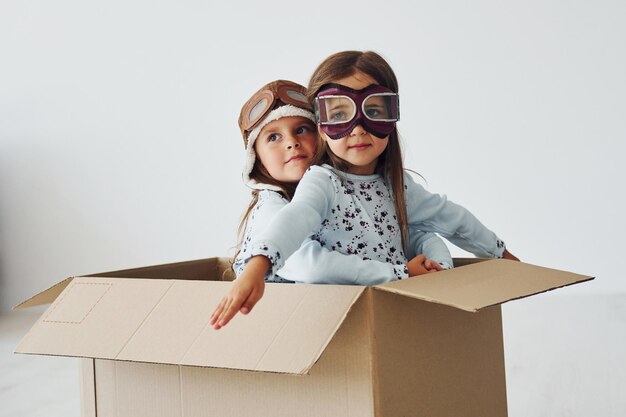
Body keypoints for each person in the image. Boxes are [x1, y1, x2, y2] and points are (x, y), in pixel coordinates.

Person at [212, 53, 518, 329]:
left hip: (387, 315)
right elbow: (296, 219)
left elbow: (447, 218)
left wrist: (498, 253)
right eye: (340, 113)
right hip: (327, 324)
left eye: (373, 110)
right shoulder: (321, 182)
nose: (358, 128)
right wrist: (258, 266)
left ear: (391, 116)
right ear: (323, 127)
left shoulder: (397, 186)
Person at [233, 79, 452, 286]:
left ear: (323, 135)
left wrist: (438, 265)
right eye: (273, 137)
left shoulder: (337, 193)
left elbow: (403, 232)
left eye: (301, 130)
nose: (291, 143)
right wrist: (400, 272)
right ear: (258, 162)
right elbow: (309, 266)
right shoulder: (271, 209)